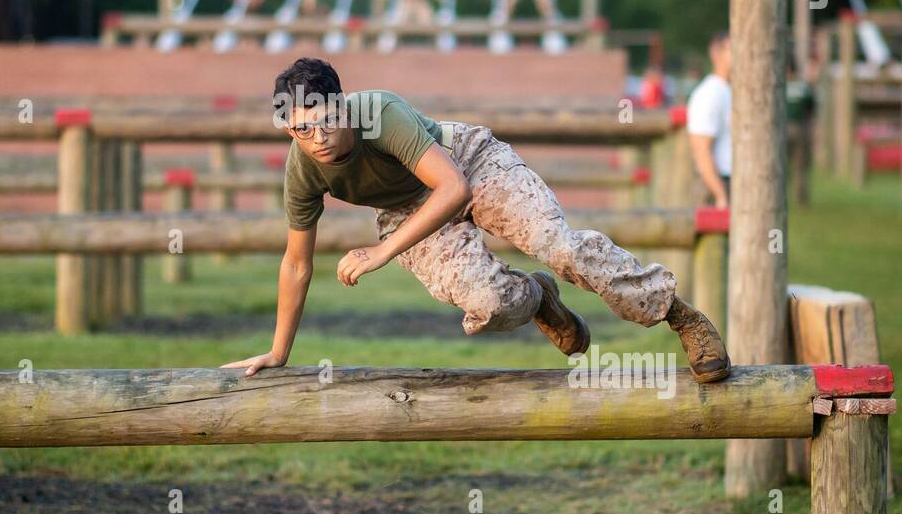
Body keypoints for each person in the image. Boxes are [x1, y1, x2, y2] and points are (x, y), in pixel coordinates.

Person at [223, 57, 731, 384]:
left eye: (325, 121)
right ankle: (539, 299)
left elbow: (454, 189)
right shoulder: (303, 169)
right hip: (406, 209)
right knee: (488, 305)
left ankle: (675, 312)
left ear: (343, 105)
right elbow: (295, 264)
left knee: (562, 248)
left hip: (465, 163)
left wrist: (381, 253)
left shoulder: (379, 112)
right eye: (300, 131)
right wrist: (278, 350)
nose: (317, 139)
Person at [686, 32, 732, 208]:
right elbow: (701, 150)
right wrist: (721, 194)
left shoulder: (730, 90)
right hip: (717, 184)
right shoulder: (709, 93)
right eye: (732, 49)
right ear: (716, 54)